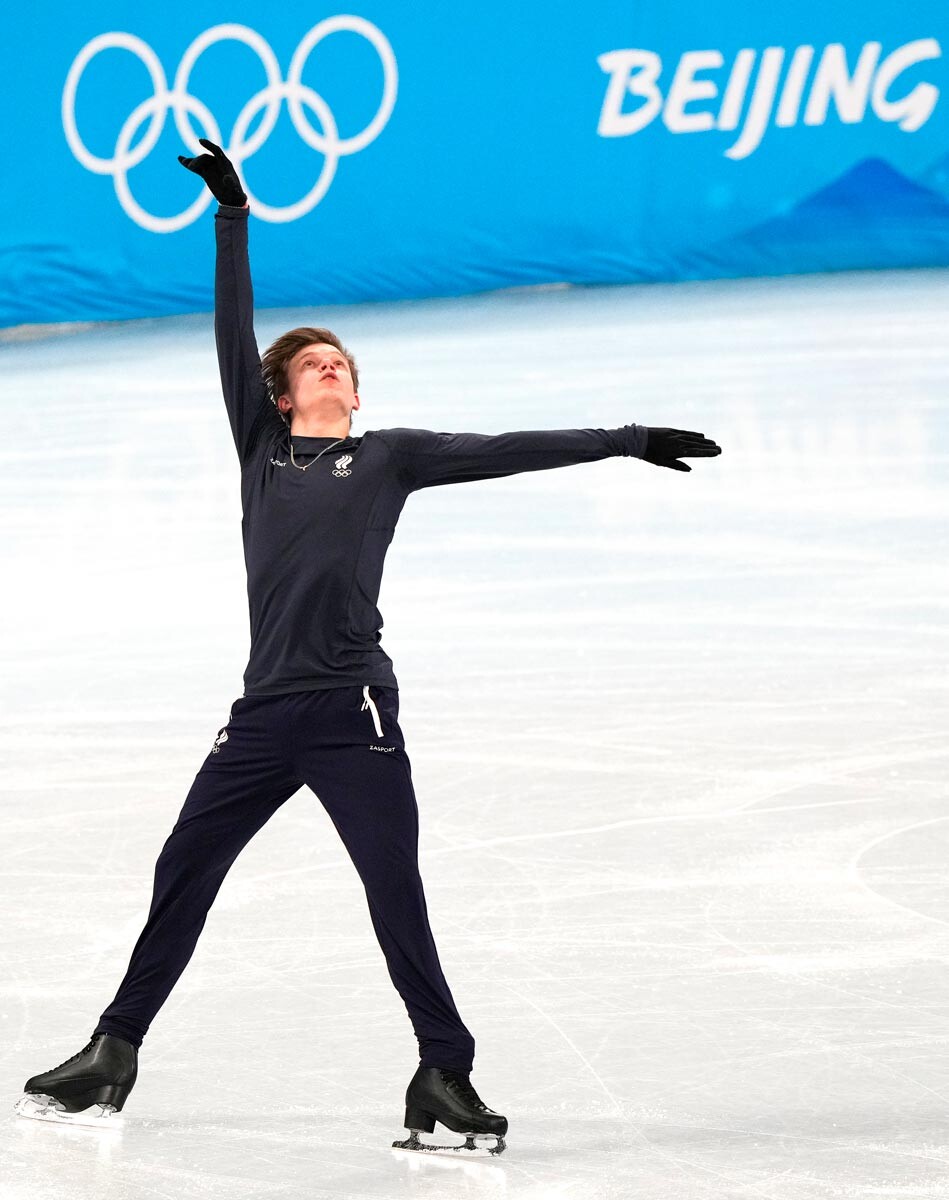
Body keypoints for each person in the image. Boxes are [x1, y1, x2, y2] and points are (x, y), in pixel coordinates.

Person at [15, 139, 722, 1154]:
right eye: (314, 362)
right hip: (262, 717)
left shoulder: (387, 456)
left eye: (341, 359)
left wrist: (625, 436)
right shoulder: (261, 450)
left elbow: (504, 450)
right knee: (184, 868)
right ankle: (112, 1051)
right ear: (285, 392)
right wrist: (231, 214)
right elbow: (231, 329)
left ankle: (443, 1071)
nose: (334, 366)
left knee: (395, 891)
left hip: (352, 712)